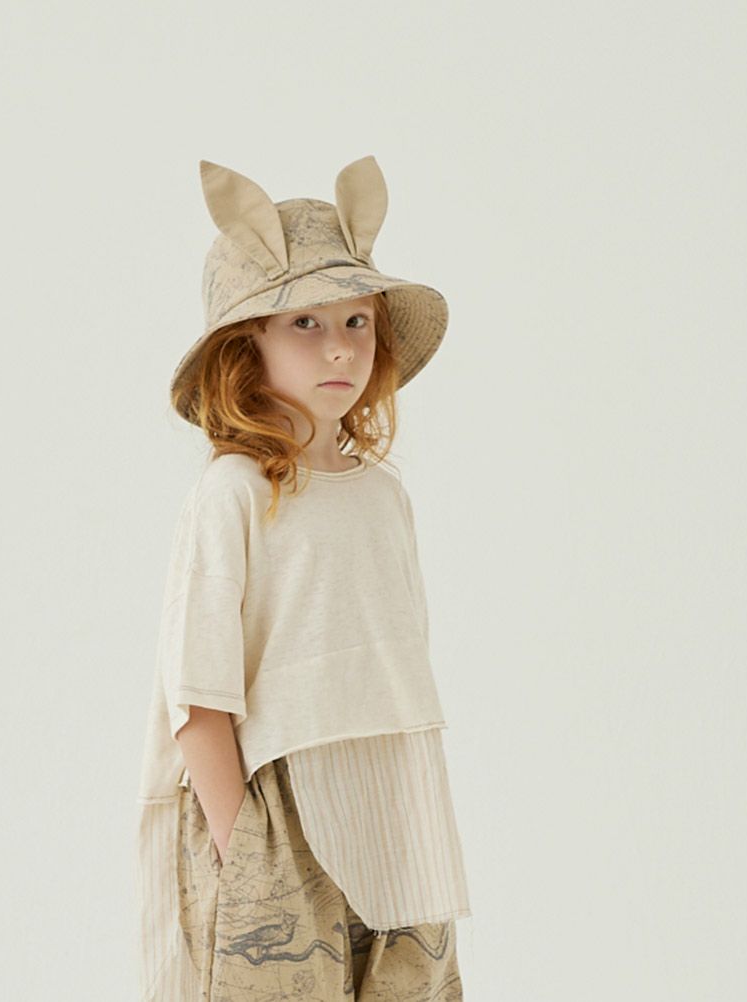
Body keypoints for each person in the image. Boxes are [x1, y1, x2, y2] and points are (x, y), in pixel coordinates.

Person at [135, 155, 472, 1001]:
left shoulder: (383, 496)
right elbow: (197, 699)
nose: (340, 347)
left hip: (394, 802)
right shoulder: (235, 494)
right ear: (247, 342)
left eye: (356, 321)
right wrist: (245, 848)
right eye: (305, 323)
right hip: (276, 811)